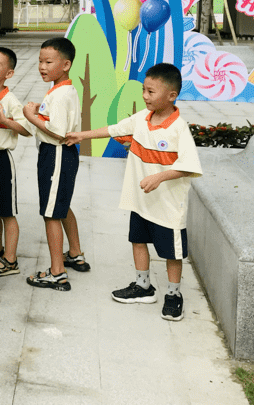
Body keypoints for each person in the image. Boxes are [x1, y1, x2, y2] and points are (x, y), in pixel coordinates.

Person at [64, 63, 202, 321]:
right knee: (137, 241)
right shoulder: (141, 119)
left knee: (172, 254)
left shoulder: (179, 128)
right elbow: (114, 129)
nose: (145, 96)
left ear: (171, 95)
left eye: (151, 92)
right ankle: (143, 286)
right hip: (140, 201)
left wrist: (160, 176)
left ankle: (173, 295)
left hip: (168, 207)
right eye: (144, 90)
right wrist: (80, 135)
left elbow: (190, 166)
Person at [22, 37, 88, 292]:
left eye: (48, 62)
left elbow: (58, 132)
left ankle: (57, 272)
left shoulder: (60, 94)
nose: (42, 66)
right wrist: (40, 111)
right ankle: (75, 252)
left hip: (56, 154)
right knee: (61, 205)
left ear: (66, 65)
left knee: (51, 213)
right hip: (63, 156)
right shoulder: (62, 90)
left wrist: (31, 116)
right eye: (40, 61)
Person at [0, 47, 30, 277]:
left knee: (6, 212)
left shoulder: (10, 100)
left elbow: (27, 129)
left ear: (9, 74)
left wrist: (4, 121)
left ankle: (10, 260)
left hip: (0, 160)